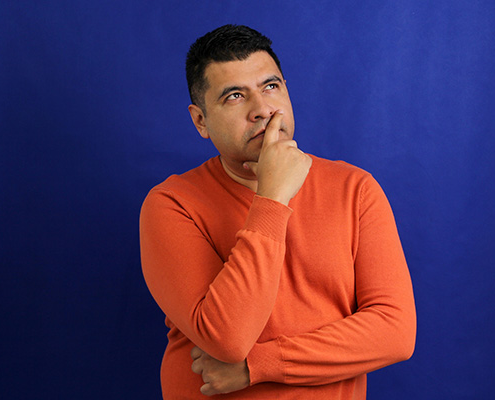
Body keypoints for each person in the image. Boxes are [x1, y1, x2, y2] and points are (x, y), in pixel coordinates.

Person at [140, 24, 416, 399]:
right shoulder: (171, 204)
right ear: (200, 120)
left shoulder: (355, 189)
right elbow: (227, 339)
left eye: (271, 86)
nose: (263, 109)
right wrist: (272, 197)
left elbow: (395, 331)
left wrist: (259, 366)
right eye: (235, 96)